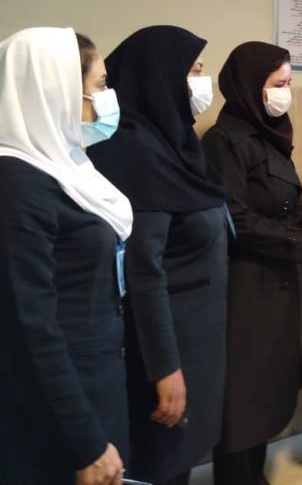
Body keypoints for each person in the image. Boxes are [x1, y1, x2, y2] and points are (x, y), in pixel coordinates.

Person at [88, 26, 228, 485]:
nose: (200, 83)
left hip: (198, 337)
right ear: (159, 75)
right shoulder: (134, 151)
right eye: (192, 71)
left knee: (181, 459)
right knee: (162, 462)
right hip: (169, 347)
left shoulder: (176, 142)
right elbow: (143, 272)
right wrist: (164, 369)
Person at [0, 27, 133, 484]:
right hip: (59, 410)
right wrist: (85, 442)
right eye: (100, 85)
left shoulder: (64, 162)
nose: (108, 99)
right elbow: (29, 326)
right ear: (54, 90)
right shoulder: (17, 185)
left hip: (94, 380)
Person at [202, 42, 302, 485]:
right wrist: (298, 242)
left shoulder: (271, 134)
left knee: (267, 388)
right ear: (250, 86)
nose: (285, 93)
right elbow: (233, 219)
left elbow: (284, 198)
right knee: (243, 397)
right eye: (278, 84)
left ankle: (253, 474)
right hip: (245, 287)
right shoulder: (224, 142)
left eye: (289, 83)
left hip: (275, 282)